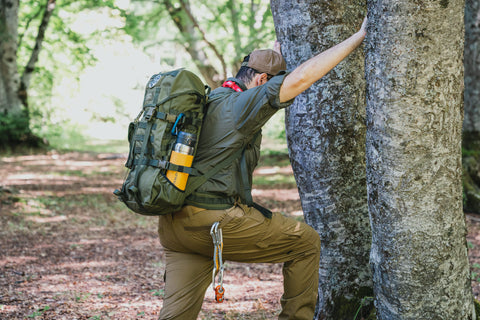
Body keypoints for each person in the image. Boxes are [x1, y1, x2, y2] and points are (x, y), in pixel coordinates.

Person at [157, 18, 368, 320]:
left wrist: (273, 52)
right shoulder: (241, 107)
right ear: (260, 81)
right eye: (268, 82)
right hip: (211, 224)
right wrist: (357, 37)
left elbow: (263, 76)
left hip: (175, 227)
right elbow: (298, 80)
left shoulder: (215, 98)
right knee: (306, 242)